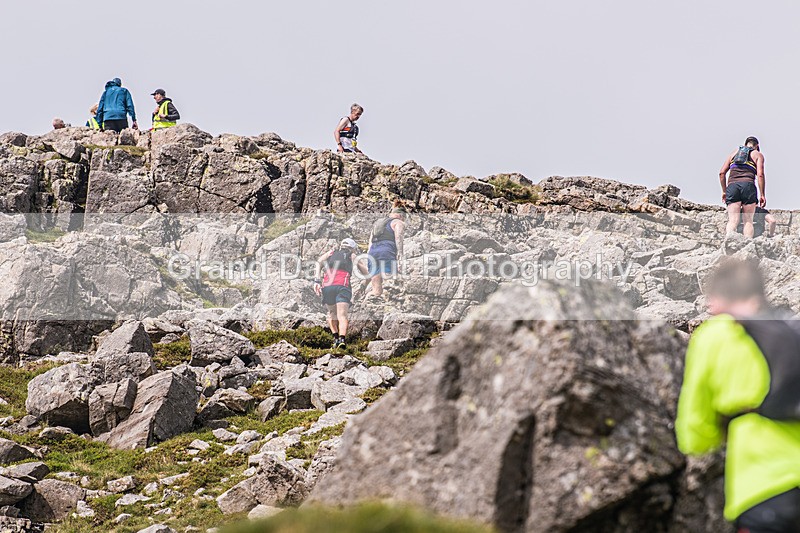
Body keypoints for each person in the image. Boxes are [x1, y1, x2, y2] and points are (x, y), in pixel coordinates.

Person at [676, 259, 800, 532]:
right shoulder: (793, 330)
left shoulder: (716, 335)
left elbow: (695, 427)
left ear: (719, 299)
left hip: (763, 487)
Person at [313, 238, 369, 349]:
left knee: (331, 313)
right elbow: (368, 274)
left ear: (341, 246)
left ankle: (335, 339)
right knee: (342, 315)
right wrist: (363, 286)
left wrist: (317, 281)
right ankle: (342, 340)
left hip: (327, 286)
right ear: (352, 249)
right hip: (343, 286)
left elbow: (318, 262)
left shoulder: (331, 253)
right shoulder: (352, 256)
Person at [719, 136, 766, 237]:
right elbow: (760, 175)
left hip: (732, 186)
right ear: (757, 146)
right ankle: (747, 246)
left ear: (745, 144)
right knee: (748, 221)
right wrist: (762, 194)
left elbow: (722, 173)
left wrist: (724, 191)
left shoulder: (733, 154)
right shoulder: (758, 155)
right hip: (748, 186)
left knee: (732, 220)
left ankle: (728, 243)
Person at [367, 200, 406, 297]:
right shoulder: (398, 222)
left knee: (376, 284)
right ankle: (388, 303)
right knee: (388, 280)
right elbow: (398, 237)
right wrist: (400, 254)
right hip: (387, 251)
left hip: (373, 251)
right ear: (401, 215)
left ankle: (375, 298)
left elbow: (370, 241)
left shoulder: (378, 223)